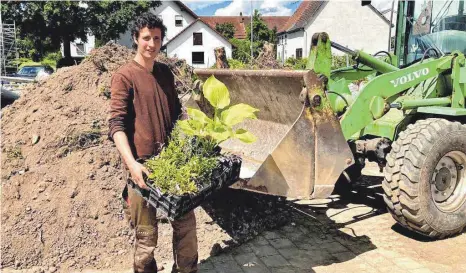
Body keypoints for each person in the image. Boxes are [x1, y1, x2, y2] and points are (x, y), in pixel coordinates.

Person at [108, 12, 198, 273]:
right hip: (142, 171)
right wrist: (133, 165)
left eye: (157, 38)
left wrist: (195, 127)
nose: (151, 44)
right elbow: (116, 125)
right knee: (146, 240)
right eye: (146, 38)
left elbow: (178, 111)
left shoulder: (165, 73)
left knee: (186, 229)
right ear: (136, 39)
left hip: (171, 166)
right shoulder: (125, 76)